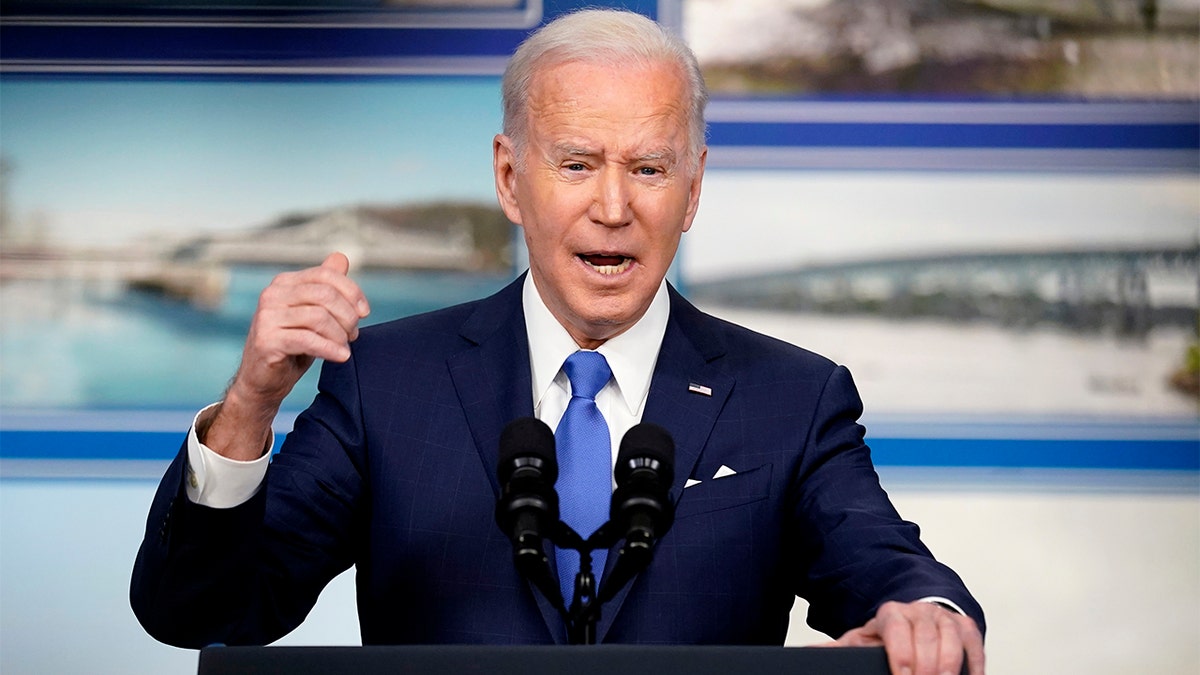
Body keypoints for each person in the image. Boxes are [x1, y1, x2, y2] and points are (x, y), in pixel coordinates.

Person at [132, 9, 985, 675]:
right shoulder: (388, 381)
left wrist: (928, 615)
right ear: (510, 178)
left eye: (649, 169)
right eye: (577, 164)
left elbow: (894, 571)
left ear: (692, 192)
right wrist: (248, 407)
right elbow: (202, 614)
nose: (614, 207)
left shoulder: (791, 397)